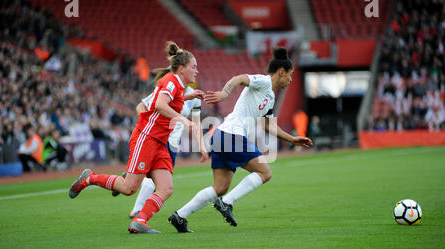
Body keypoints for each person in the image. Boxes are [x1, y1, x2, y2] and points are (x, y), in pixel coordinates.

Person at [168, 47, 313, 233]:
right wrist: (225, 93)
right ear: (281, 72)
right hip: (232, 135)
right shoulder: (264, 82)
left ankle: (180, 216)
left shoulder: (269, 97)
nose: (291, 79)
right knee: (265, 172)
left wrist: (292, 139)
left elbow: (268, 125)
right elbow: (239, 78)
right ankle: (227, 203)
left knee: (220, 187)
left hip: (221, 135)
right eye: (290, 75)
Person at [68, 41, 204, 234]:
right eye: (194, 67)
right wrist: (183, 119)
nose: (197, 71)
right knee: (128, 187)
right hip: (147, 138)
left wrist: (190, 97)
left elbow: (170, 101)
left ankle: (140, 221)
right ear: (182, 68)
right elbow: (159, 104)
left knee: (166, 188)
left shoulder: (178, 86)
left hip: (159, 143)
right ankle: (88, 178)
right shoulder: (172, 81)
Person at [113, 82, 208, 219]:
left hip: (173, 143)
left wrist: (201, 145)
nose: (195, 73)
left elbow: (197, 122)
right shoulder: (168, 89)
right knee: (160, 180)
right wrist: (147, 123)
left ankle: (128, 176)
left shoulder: (195, 96)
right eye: (192, 68)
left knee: (153, 176)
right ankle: (137, 211)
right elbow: (141, 106)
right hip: (160, 138)